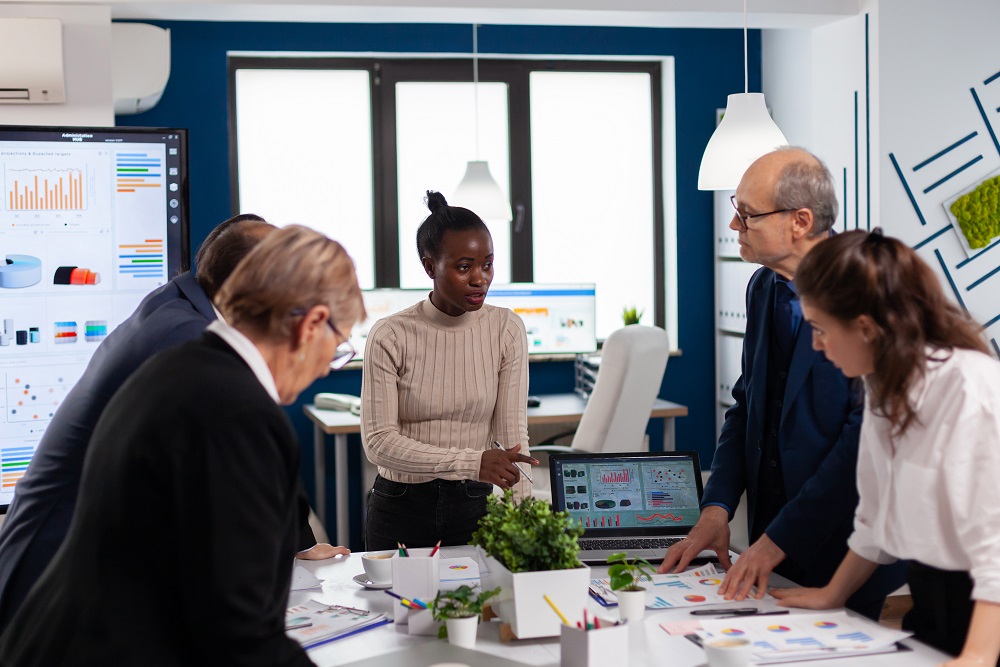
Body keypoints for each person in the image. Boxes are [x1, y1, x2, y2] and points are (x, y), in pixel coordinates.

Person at [0, 225, 366, 665]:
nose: (329, 369)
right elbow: (238, 633)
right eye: (338, 347)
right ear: (310, 325)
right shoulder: (236, 409)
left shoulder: (178, 363)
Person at [658, 147, 904, 619]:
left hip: (847, 546)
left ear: (800, 221)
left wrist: (777, 541)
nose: (735, 227)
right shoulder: (763, 286)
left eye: (747, 215)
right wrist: (717, 508)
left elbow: (861, 445)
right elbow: (747, 405)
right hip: (770, 544)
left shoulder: (869, 294)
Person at [773, 229, 1000, 666]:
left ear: (865, 328)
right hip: (934, 599)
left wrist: (977, 656)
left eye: (820, 329)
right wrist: (832, 595)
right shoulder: (880, 385)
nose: (816, 345)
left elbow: (996, 545)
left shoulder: (970, 388)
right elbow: (875, 517)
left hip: (986, 616)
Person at [361, 191, 537, 550]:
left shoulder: (506, 329)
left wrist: (526, 520)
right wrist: (471, 461)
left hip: (474, 505)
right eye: (463, 267)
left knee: (480, 606)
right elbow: (378, 442)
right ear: (430, 267)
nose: (480, 278)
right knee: (398, 607)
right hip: (400, 507)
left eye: (487, 264)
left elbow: (512, 437)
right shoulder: (390, 334)